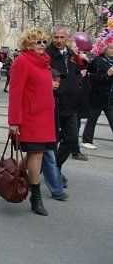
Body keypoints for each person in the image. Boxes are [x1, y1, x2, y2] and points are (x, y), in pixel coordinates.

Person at [8, 28, 56, 215]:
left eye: (44, 41)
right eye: (38, 42)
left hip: (45, 117)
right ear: (27, 44)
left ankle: (13, 176)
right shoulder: (22, 61)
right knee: (37, 154)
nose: (42, 44)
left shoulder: (45, 63)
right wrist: (14, 121)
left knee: (38, 153)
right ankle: (35, 197)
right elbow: (15, 93)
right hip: (29, 118)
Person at [45, 25, 82, 185]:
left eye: (62, 37)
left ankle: (56, 166)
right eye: (56, 37)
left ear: (68, 38)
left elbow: (77, 73)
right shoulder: (46, 54)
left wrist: (78, 85)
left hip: (71, 103)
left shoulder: (71, 54)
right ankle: (53, 173)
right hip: (54, 103)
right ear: (52, 37)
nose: (59, 41)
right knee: (51, 140)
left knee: (72, 137)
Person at [41, 68, 69, 201]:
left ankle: (24, 178)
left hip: (50, 132)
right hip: (43, 132)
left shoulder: (54, 95)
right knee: (49, 158)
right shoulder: (43, 95)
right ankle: (57, 189)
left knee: (37, 158)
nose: (57, 83)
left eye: (58, 81)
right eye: (54, 80)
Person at [82, 44, 113, 148]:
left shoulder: (110, 61)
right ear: (105, 49)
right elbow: (93, 79)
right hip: (98, 96)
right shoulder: (98, 61)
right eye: (111, 48)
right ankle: (87, 140)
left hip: (109, 96)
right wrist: (107, 74)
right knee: (92, 118)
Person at [70, 41, 89, 161]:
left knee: (75, 127)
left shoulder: (81, 60)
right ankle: (75, 150)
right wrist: (79, 76)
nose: (78, 48)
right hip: (70, 101)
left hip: (79, 100)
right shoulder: (70, 60)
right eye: (75, 46)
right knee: (72, 129)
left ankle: (74, 148)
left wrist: (86, 59)